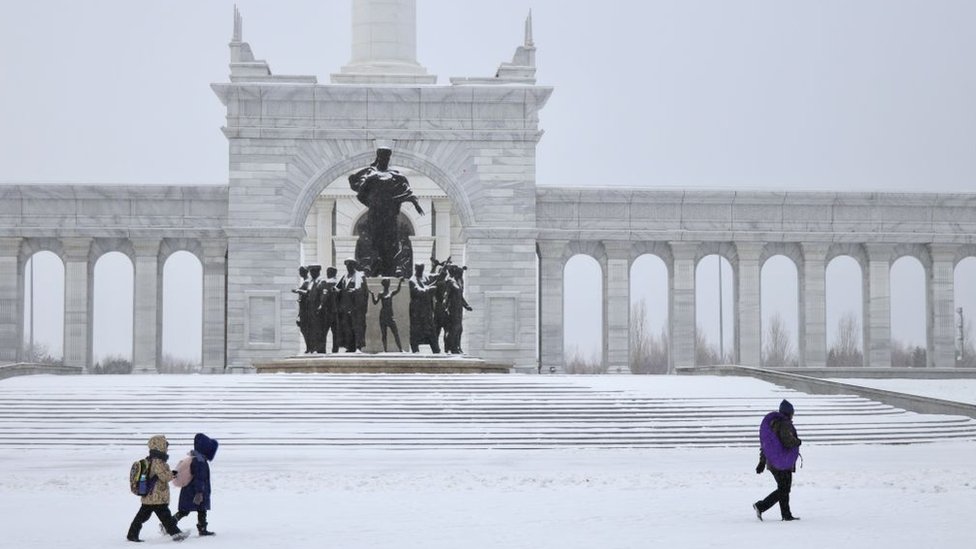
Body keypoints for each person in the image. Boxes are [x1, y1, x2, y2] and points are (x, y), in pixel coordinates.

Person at [347, 147, 425, 277]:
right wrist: (373, 203)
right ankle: (374, 269)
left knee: (391, 242)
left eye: (387, 158)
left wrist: (414, 202)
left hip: (390, 217)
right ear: (378, 158)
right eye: (383, 158)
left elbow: (407, 191)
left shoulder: (395, 176)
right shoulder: (370, 174)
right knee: (375, 242)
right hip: (375, 216)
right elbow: (359, 191)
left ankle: (390, 270)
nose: (385, 160)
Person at [126, 435, 189, 542]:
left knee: (141, 517)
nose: (166, 448)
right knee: (166, 517)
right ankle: (176, 534)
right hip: (157, 496)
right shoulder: (158, 461)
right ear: (159, 446)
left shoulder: (151, 459)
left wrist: (169, 473)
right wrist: (172, 474)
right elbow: (164, 477)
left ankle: (132, 534)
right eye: (165, 445)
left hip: (149, 496)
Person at [753, 399, 802, 521]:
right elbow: (787, 441)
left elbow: (767, 445)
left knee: (783, 488)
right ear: (789, 413)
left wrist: (762, 462)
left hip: (773, 462)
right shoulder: (784, 424)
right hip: (782, 463)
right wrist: (797, 441)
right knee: (784, 489)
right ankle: (761, 506)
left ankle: (785, 514)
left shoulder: (773, 424)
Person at [172, 433, 219, 537]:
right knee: (199, 510)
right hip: (196, 491)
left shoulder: (195, 457)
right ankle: (202, 529)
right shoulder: (200, 461)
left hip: (189, 490)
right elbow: (200, 478)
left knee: (189, 510)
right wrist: (199, 492)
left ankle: (170, 523)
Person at [337, 258, 369, 352]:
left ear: (354, 265)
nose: (348, 267)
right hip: (346, 306)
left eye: (350, 265)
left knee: (358, 327)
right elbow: (338, 288)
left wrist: (355, 291)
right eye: (347, 265)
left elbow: (363, 290)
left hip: (356, 307)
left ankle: (358, 346)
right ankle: (349, 347)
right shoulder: (344, 276)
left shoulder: (360, 275)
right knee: (347, 327)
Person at [408, 263, 440, 353]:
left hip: (427, 311)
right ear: (415, 269)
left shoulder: (425, 276)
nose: (421, 271)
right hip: (417, 312)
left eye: (422, 269)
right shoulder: (412, 280)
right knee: (416, 332)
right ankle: (415, 350)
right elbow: (418, 292)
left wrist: (443, 271)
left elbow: (435, 276)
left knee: (431, 332)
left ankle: (436, 350)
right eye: (419, 269)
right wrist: (430, 289)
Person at [370, 277, 405, 352]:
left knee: (395, 333)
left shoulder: (391, 292)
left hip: (390, 316)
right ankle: (385, 350)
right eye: (387, 283)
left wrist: (400, 282)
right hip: (383, 316)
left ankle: (401, 349)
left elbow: (398, 290)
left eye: (389, 283)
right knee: (384, 334)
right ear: (384, 284)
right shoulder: (381, 293)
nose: (388, 284)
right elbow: (375, 302)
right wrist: (372, 294)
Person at [317, 267, 340, 353]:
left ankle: (322, 349)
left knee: (324, 331)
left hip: (327, 311)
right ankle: (335, 350)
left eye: (329, 272)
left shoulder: (325, 283)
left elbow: (323, 297)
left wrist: (321, 306)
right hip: (336, 311)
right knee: (335, 333)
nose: (327, 273)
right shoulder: (338, 283)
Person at [291, 266, 311, 353]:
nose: (300, 273)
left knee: (306, 329)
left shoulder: (308, 281)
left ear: (304, 272)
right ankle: (308, 347)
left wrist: (297, 290)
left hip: (306, 308)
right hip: (302, 308)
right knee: (303, 329)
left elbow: (308, 293)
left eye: (301, 271)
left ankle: (309, 347)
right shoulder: (305, 281)